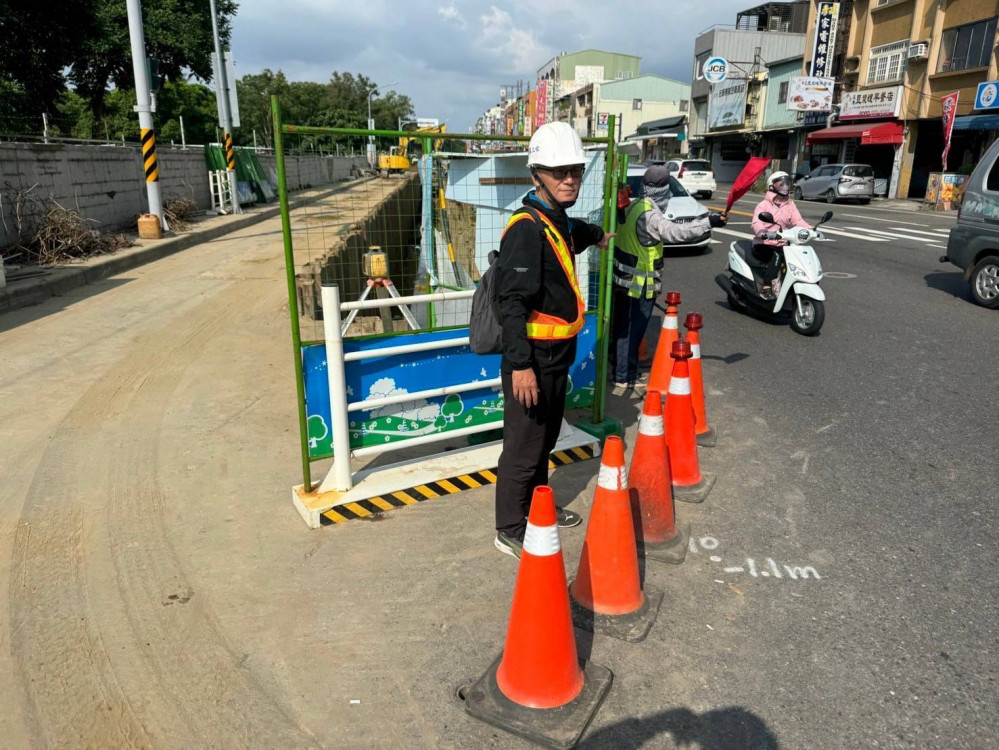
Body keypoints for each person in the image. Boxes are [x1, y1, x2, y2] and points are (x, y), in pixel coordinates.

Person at [493, 121, 615, 558]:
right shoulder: (526, 228)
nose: (569, 179)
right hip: (532, 361)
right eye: (559, 172)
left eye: (575, 171)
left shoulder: (555, 217)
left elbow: (574, 231)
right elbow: (511, 305)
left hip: (557, 356)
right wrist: (521, 365)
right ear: (536, 175)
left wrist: (600, 235)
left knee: (545, 442)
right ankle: (509, 526)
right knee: (524, 449)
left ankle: (539, 509)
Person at [610, 165, 725, 393]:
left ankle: (620, 369)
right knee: (632, 332)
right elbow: (676, 233)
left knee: (622, 328)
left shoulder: (634, 206)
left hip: (622, 281)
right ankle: (624, 376)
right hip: (639, 285)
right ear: (664, 191)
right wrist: (708, 223)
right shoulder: (650, 216)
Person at [750, 171, 811, 298]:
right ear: (771, 186)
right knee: (776, 255)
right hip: (763, 243)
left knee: (797, 255)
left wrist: (812, 229)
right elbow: (756, 223)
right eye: (781, 184)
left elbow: (798, 221)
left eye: (787, 183)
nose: (785, 187)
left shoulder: (790, 205)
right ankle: (766, 287)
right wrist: (765, 234)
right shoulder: (763, 205)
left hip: (782, 242)